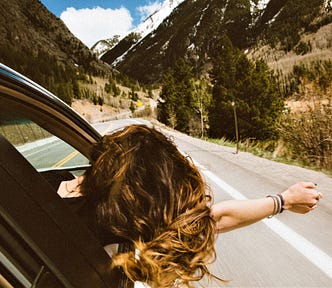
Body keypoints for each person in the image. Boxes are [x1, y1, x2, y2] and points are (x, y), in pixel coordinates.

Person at [53, 124, 323, 288]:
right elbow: (213, 218)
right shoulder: (120, 223)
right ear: (138, 192)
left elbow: (211, 218)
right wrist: (283, 201)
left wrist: (284, 201)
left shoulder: (46, 188)